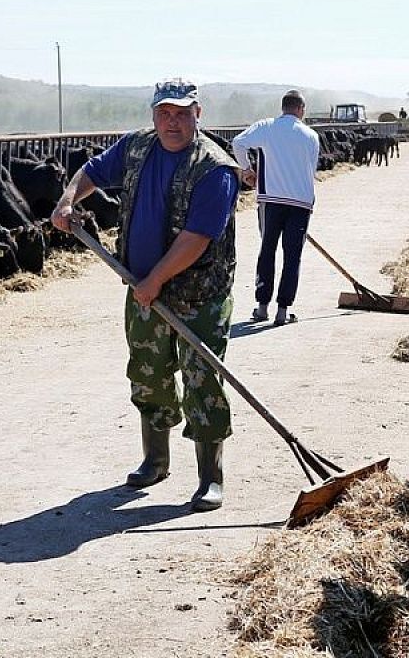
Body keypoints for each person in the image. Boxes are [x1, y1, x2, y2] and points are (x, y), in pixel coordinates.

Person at [50, 78, 240, 512]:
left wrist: (155, 279)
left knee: (202, 382)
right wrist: (67, 200)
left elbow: (197, 239)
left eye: (181, 113)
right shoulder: (137, 146)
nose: (172, 122)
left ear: (198, 114)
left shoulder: (214, 168)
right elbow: (92, 172)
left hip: (197, 296)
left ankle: (211, 477)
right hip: (143, 292)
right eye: (164, 113)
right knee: (148, 373)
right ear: (153, 115)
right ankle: (155, 460)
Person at [230, 89, 319, 326]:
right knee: (293, 256)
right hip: (301, 203)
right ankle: (282, 310)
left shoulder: (266, 127)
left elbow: (237, 143)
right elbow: (312, 169)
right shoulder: (311, 135)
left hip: (271, 201)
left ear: (283, 107)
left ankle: (262, 307)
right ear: (301, 109)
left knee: (267, 250)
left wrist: (247, 170)